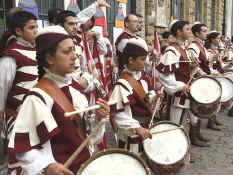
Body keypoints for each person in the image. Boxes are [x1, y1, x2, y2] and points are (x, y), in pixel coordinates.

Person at [8, 25, 110, 175]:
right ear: (49, 58)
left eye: (74, 50)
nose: (75, 56)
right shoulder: (37, 97)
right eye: (66, 51)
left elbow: (86, 137)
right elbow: (23, 148)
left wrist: (99, 120)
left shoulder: (75, 88)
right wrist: (47, 166)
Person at [157, 20, 209, 147]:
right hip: (178, 95)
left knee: (184, 122)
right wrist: (179, 85)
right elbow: (164, 75)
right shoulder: (172, 50)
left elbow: (184, 69)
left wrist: (193, 66)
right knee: (176, 124)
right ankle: (173, 150)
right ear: (179, 32)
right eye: (187, 29)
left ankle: (182, 148)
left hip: (185, 91)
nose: (189, 32)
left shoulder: (183, 49)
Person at [0, 10, 38, 175]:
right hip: (17, 121)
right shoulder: (10, 57)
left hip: (39, 118)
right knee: (21, 166)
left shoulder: (40, 51)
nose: (36, 31)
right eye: (31, 28)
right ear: (18, 31)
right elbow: (1, 92)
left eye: (37, 27)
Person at [110, 37, 161, 154]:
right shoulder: (122, 85)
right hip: (132, 133)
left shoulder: (142, 77)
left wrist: (155, 97)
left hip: (145, 127)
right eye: (142, 59)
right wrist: (136, 127)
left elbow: (146, 98)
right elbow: (118, 115)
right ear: (131, 60)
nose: (146, 62)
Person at [188, 22, 221, 131]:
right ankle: (194, 135)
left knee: (201, 106)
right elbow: (195, 65)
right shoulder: (193, 46)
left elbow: (205, 64)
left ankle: (197, 134)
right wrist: (204, 75)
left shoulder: (200, 45)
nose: (206, 33)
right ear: (197, 33)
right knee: (195, 109)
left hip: (203, 79)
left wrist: (212, 72)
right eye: (204, 31)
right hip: (196, 80)